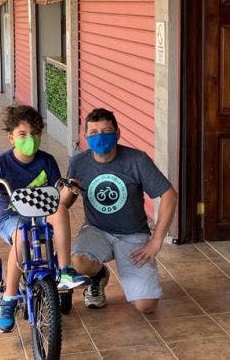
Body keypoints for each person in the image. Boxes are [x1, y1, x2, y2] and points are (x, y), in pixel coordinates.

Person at [0, 105, 87, 333]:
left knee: (59, 210)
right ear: (11, 137)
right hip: (11, 216)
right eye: (23, 134)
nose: (30, 139)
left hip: (41, 213)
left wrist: (70, 190)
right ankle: (8, 299)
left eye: (35, 133)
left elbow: (59, 198)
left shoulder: (46, 161)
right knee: (22, 235)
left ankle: (65, 270)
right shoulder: (1, 163)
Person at [61, 108, 178, 314]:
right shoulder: (78, 162)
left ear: (117, 133)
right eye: (94, 132)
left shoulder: (136, 160)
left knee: (146, 306)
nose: (100, 136)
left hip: (133, 235)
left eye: (106, 131)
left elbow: (169, 194)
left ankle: (135, 281)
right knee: (79, 263)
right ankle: (97, 277)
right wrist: (68, 192)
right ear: (86, 136)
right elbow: (65, 203)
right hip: (96, 230)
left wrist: (156, 241)